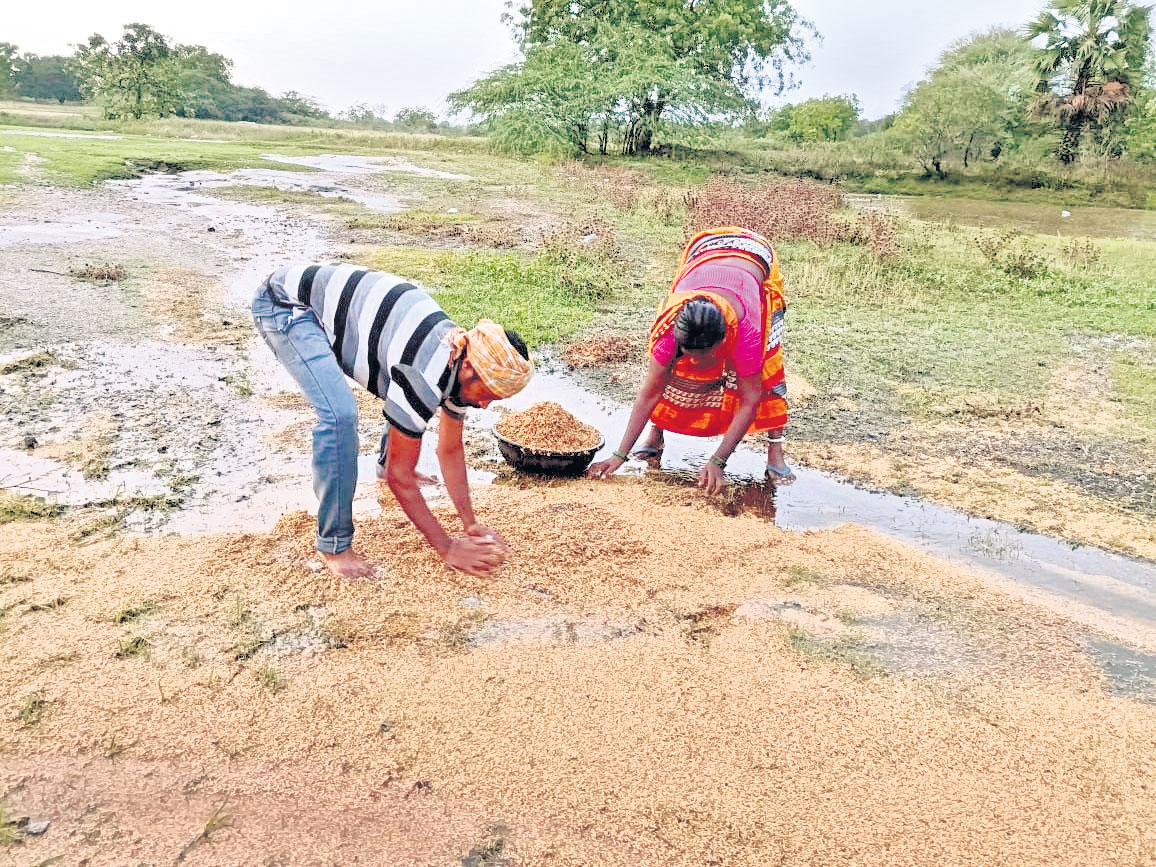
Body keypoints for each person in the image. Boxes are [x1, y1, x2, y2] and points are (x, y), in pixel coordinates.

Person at [252, 262, 533, 579]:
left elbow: (450, 450)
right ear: (470, 368)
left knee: (404, 404)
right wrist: (448, 548)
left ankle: (384, 464)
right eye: (488, 394)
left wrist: (471, 526)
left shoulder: (460, 356)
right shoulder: (426, 370)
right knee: (339, 416)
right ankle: (333, 545)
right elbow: (403, 480)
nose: (483, 405)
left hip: (351, 315)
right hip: (288, 305)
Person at [588, 226, 794, 494]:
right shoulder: (670, 330)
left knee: (767, 367)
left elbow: (751, 398)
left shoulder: (747, 333)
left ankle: (775, 451)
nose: (696, 365)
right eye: (689, 354)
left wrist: (718, 462)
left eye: (705, 357)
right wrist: (619, 454)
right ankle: (656, 434)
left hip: (755, 256)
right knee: (668, 372)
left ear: (724, 342)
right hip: (705, 252)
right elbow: (649, 393)